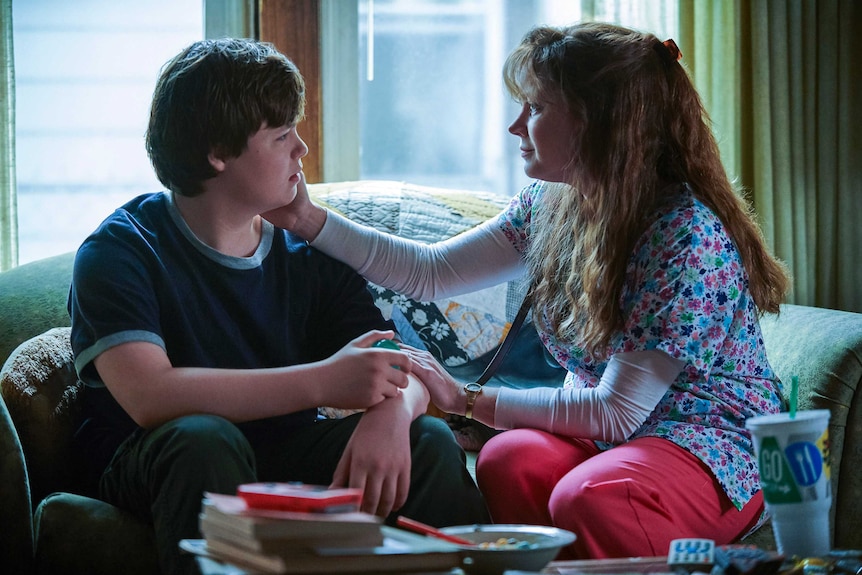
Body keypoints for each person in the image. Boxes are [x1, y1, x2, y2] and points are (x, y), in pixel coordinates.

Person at [266, 22, 791, 559]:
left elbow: (617, 412)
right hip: (615, 439)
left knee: (590, 497)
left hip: (710, 447)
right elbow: (430, 272)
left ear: (600, 122)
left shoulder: (682, 235)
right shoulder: (550, 204)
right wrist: (306, 218)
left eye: (536, 108)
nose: (516, 126)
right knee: (507, 459)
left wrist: (467, 399)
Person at [68, 38, 489, 575]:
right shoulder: (120, 250)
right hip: (156, 455)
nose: (302, 150)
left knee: (424, 437)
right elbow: (153, 398)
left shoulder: (303, 253)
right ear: (217, 154)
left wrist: (389, 415)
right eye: (282, 135)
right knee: (204, 439)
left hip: (282, 453)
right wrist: (322, 381)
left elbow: (398, 364)